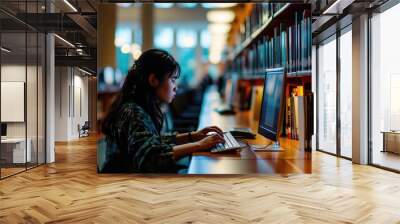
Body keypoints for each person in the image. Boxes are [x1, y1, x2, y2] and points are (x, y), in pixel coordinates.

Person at [101, 49, 225, 173]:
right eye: (172, 80)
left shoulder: (138, 106)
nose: (175, 86)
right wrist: (200, 145)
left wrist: (193, 136)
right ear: (153, 80)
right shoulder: (133, 111)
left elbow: (154, 141)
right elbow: (151, 157)